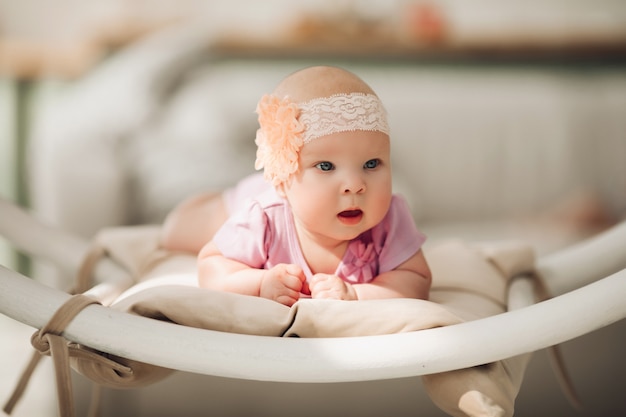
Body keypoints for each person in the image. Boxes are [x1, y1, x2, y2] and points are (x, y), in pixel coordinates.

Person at [160, 66, 431, 306]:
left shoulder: (390, 219)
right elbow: (211, 267)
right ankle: (209, 202)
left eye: (371, 164)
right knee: (177, 234)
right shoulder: (262, 217)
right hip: (248, 199)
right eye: (326, 166)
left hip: (282, 193)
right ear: (282, 177)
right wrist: (259, 284)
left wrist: (358, 295)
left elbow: (415, 280)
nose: (355, 185)